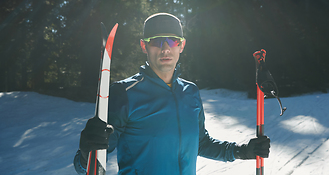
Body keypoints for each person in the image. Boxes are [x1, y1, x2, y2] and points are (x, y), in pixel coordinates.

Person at [73, 13, 270, 175]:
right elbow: (91, 163)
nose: (165, 48)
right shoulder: (124, 94)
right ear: (144, 46)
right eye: (157, 41)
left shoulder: (190, 91)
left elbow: (201, 143)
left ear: (182, 45)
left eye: (172, 41)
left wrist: (242, 151)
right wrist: (85, 155)